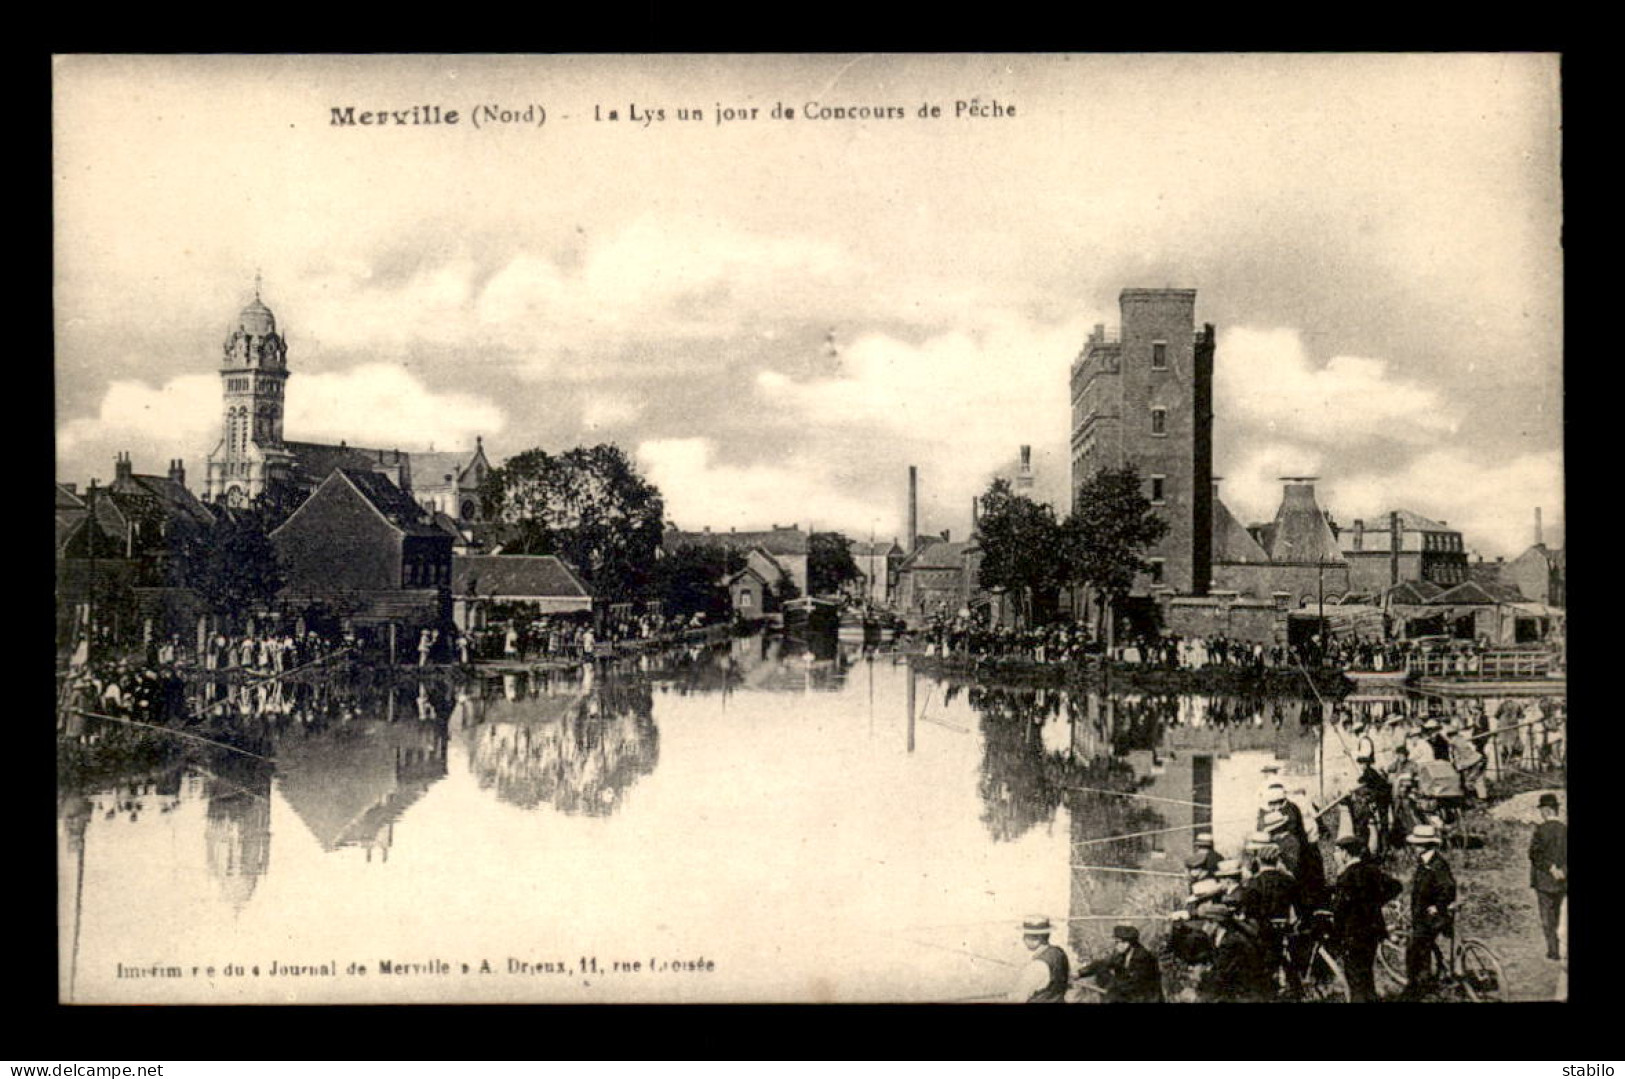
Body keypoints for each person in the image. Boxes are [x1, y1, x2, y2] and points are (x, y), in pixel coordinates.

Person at [1329, 832, 1404, 1002]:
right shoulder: (1371, 870)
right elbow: (1395, 886)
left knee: (1355, 978)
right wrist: (1377, 902)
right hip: (1373, 930)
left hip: (1352, 933)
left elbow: (1339, 909)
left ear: (1345, 853)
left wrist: (1335, 933)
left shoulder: (1346, 876)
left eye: (1338, 851)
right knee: (1367, 971)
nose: (1337, 855)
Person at [1404, 823, 1457, 999]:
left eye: (1418, 843)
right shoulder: (1424, 861)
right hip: (1422, 914)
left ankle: (1415, 988)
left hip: (1433, 917)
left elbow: (1449, 888)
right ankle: (1426, 980)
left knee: (1413, 949)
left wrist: (1438, 906)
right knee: (1423, 947)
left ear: (1425, 845)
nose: (1414, 846)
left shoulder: (1437, 864)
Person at [1195, 902, 1274, 1003]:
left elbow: (1224, 972)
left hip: (1245, 992)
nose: (1204, 927)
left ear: (1217, 923)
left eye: (1208, 922)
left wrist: (1201, 977)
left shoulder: (1231, 941)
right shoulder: (1222, 938)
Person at [1076, 924, 1163, 1003]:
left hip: (1145, 998)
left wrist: (1111, 989)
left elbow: (1134, 983)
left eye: (1117, 942)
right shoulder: (1121, 955)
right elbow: (1102, 963)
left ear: (1127, 943)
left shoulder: (1144, 958)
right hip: (1128, 995)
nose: (1115, 945)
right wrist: (1079, 973)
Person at [1529, 792, 1567, 961]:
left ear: (1545, 810)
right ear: (1556, 810)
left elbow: (1534, 855)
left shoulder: (1540, 830)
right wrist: (1563, 871)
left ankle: (1553, 951)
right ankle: (1563, 948)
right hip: (1562, 881)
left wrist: (1550, 868)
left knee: (1547, 917)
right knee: (1560, 914)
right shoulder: (1565, 830)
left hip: (1544, 881)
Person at [1008, 915, 1070, 1003]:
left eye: (1026, 935)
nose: (1023, 938)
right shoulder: (1059, 953)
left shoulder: (1037, 965)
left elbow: (1018, 997)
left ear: (1038, 939)